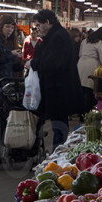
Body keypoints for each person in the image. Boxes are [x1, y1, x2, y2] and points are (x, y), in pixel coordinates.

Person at [30, 9, 81, 148]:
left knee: (59, 127)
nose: (38, 29)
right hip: (57, 89)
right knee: (58, 126)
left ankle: (58, 157)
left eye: (39, 25)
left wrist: (33, 64)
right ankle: (58, 153)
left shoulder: (58, 37)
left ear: (48, 22)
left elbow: (52, 63)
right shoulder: (56, 35)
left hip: (59, 90)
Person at [77, 27, 102, 113]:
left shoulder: (85, 41)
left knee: (82, 90)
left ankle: (80, 113)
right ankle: (87, 113)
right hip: (92, 65)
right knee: (89, 91)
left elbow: (80, 54)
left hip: (81, 64)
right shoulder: (100, 43)